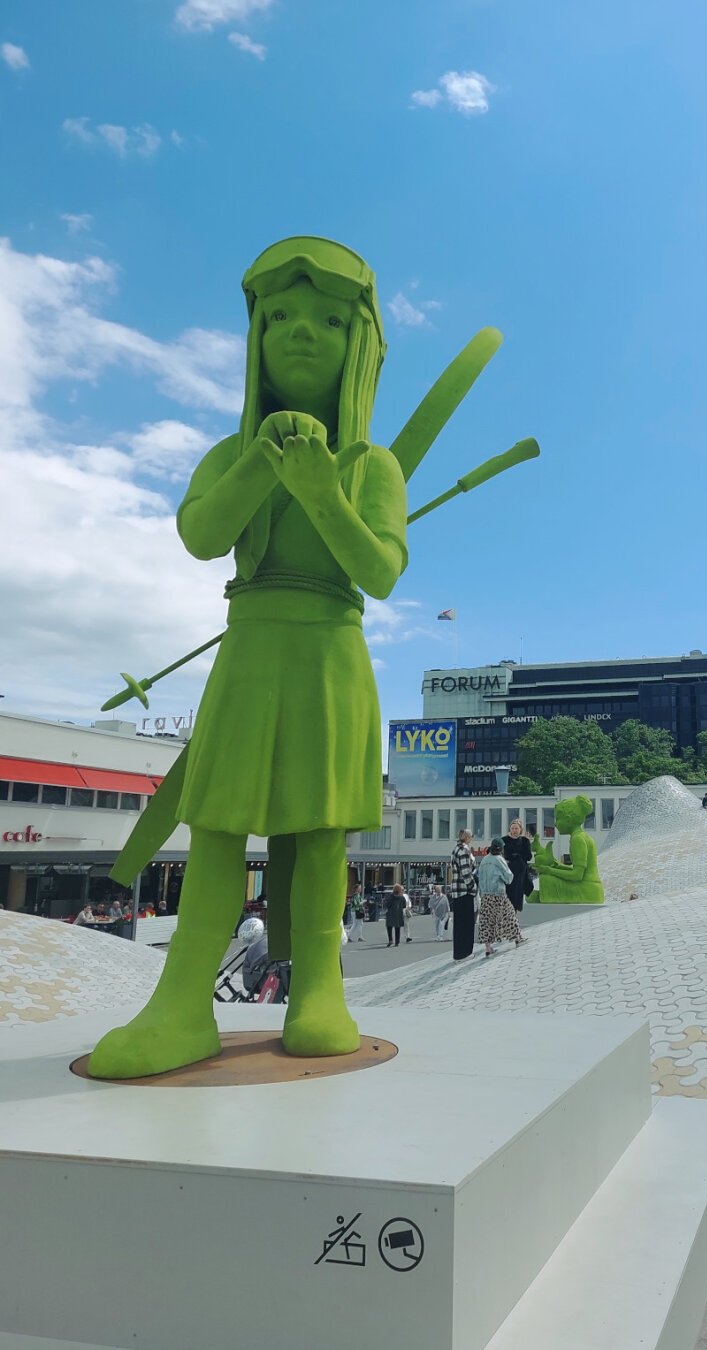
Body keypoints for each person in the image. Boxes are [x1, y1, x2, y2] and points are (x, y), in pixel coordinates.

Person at [87, 237, 407, 1080]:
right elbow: (201, 536)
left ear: (358, 347)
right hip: (251, 646)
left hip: (331, 653)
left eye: (329, 321)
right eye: (280, 319)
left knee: (322, 836)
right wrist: (265, 466)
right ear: (254, 338)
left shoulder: (373, 465)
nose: (302, 334)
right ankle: (183, 1003)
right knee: (219, 830)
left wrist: (320, 491)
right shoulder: (232, 453)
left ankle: (320, 996)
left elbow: (378, 569)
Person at [476, 837, 525, 957]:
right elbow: (509, 877)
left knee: (487, 921)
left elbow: (479, 877)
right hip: (498, 894)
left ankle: (488, 948)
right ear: (501, 849)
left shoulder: (484, 860)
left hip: (486, 895)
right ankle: (517, 938)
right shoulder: (499, 859)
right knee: (509, 916)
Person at [449, 828, 479, 961]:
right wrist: (473, 887)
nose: (472, 839)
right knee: (466, 924)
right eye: (471, 836)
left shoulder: (456, 849)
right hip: (464, 891)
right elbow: (466, 872)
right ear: (467, 837)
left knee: (459, 924)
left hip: (457, 891)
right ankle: (464, 953)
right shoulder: (464, 850)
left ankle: (459, 953)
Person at [502, 818, 533, 914]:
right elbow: (504, 854)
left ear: (520, 829)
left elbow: (528, 856)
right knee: (508, 896)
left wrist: (518, 855)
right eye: (512, 828)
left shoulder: (524, 841)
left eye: (516, 828)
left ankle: (514, 916)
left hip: (520, 872)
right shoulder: (504, 840)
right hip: (509, 871)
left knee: (517, 897)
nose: (514, 830)